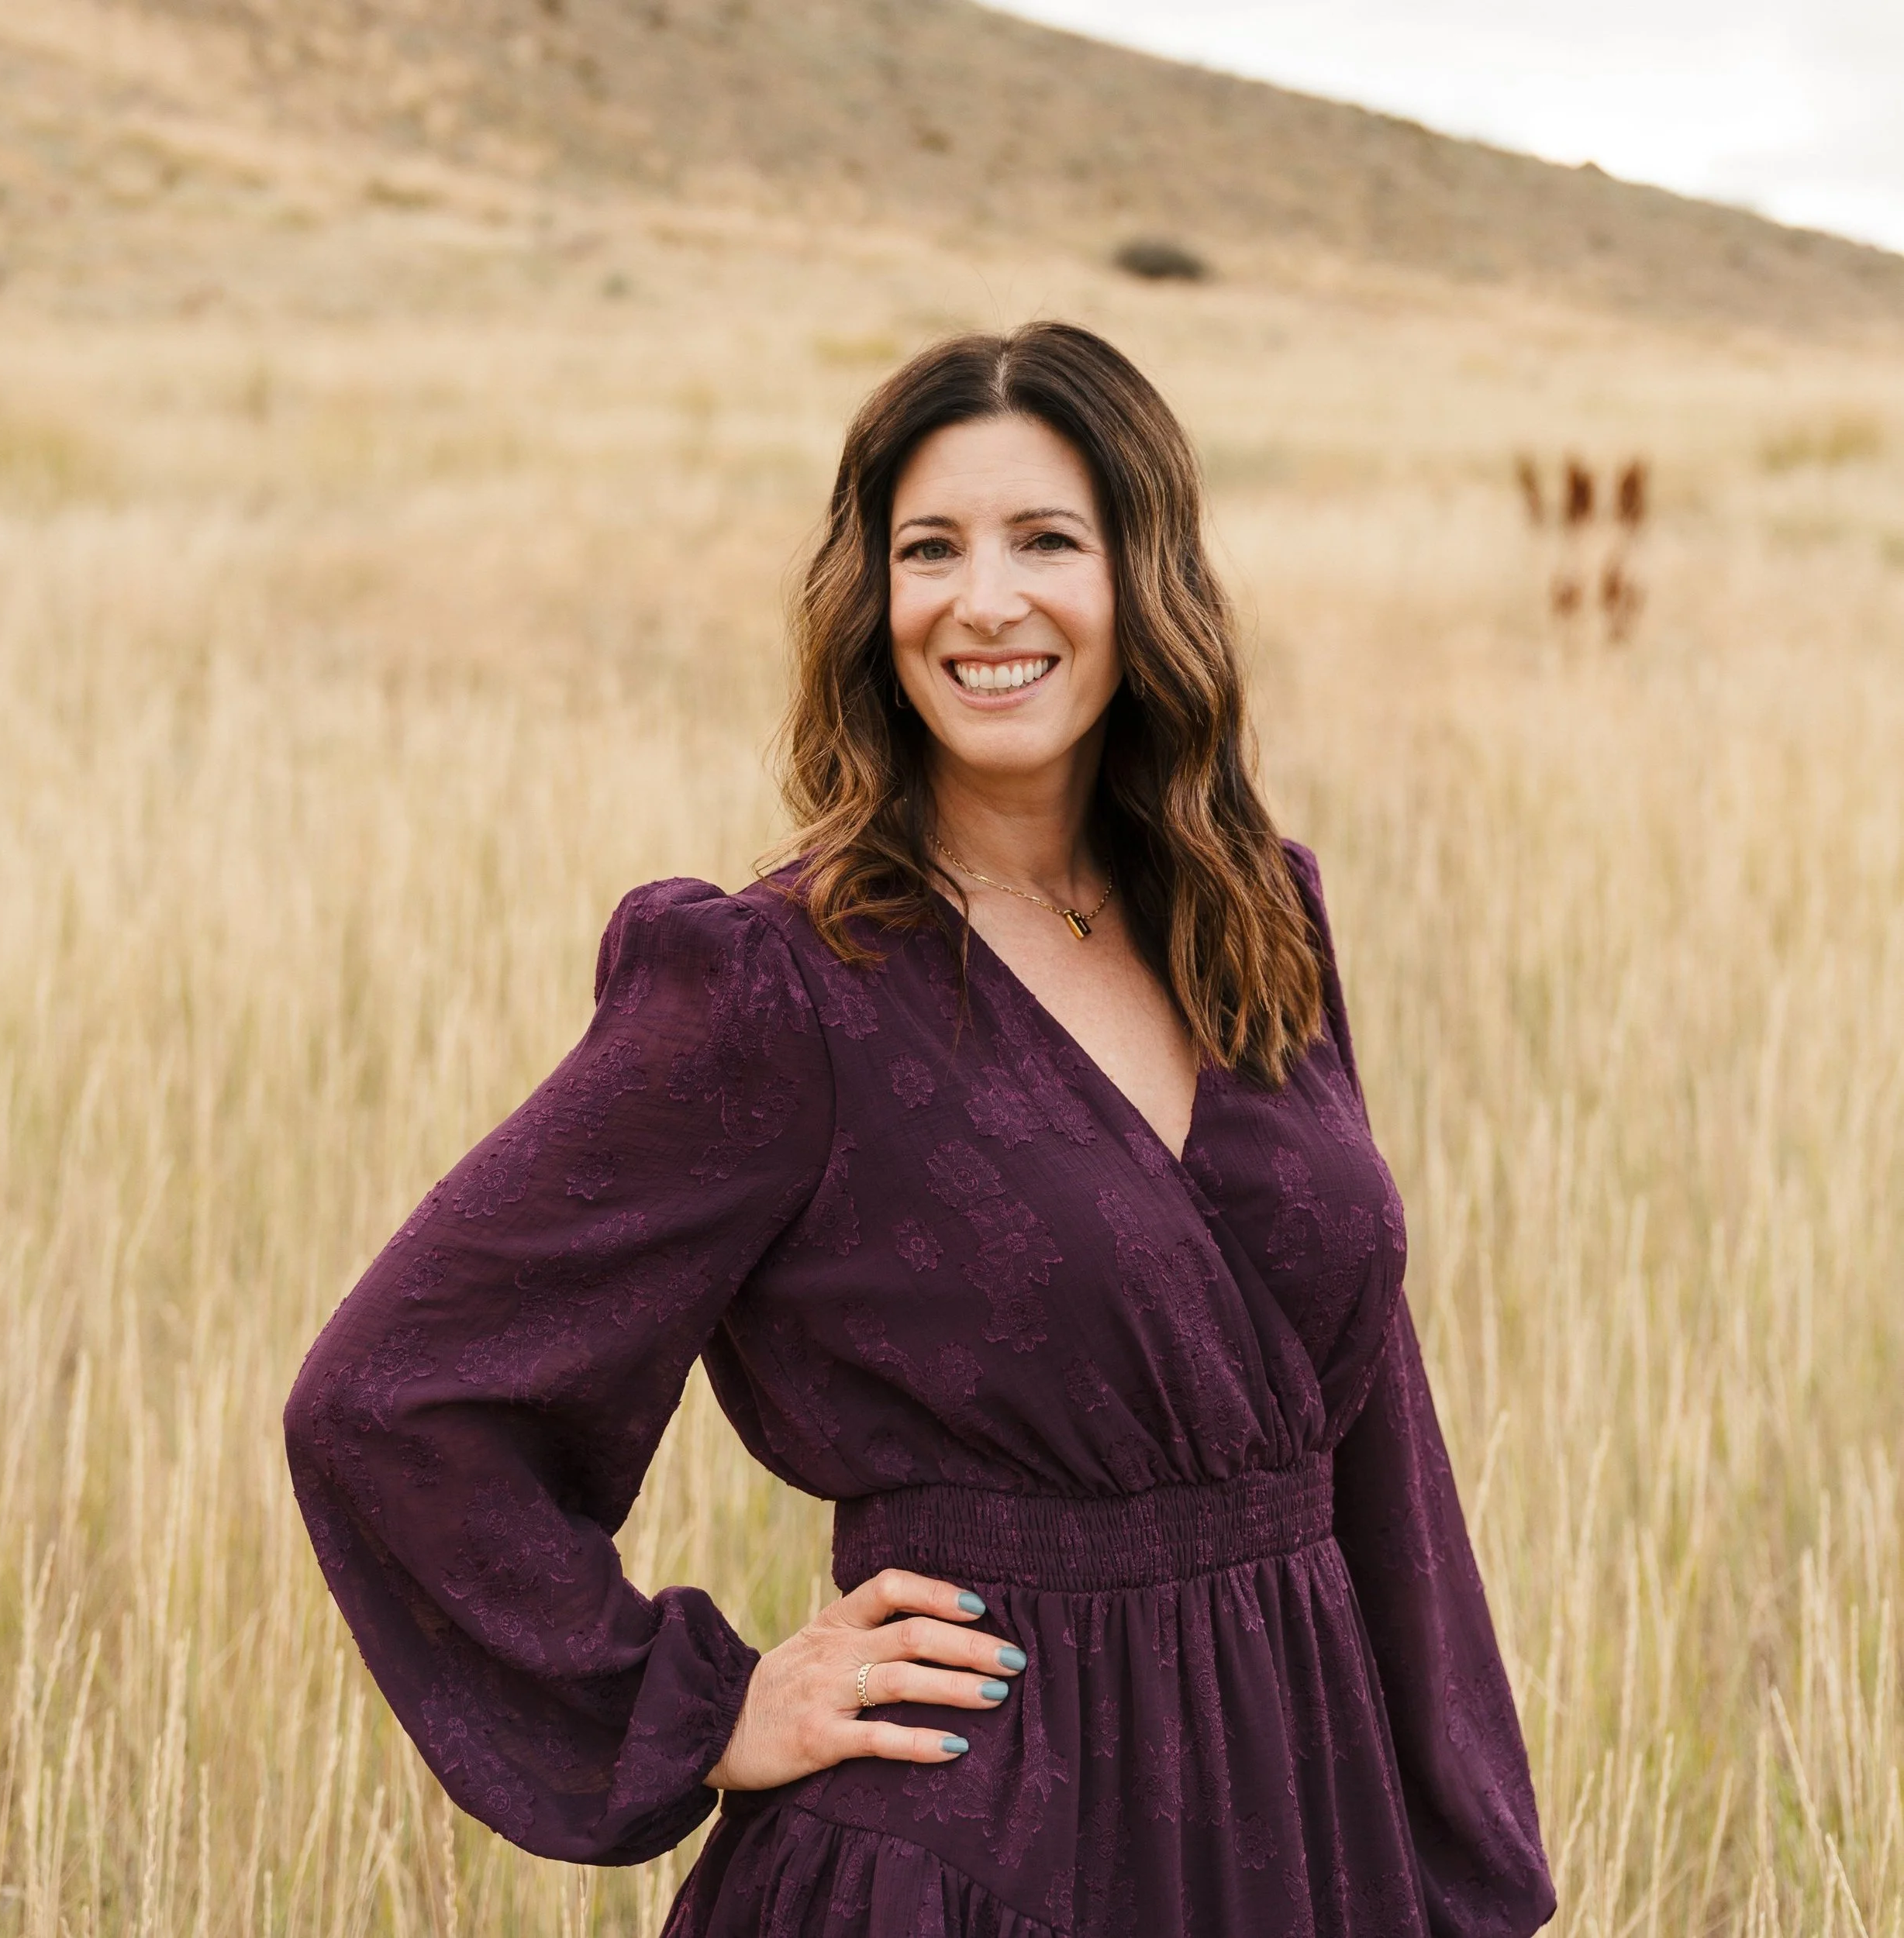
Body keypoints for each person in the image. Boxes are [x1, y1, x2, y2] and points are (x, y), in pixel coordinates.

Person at [285, 322, 1556, 1936]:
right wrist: (698, 1709)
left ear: (1141, 576)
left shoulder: (1257, 915)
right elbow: (391, 1398)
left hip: (1296, 1821)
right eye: (927, 549)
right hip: (963, 1858)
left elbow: (1370, 1420)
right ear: (871, 601)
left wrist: (1449, 1846)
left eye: (1045, 540)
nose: (985, 600)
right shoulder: (776, 983)